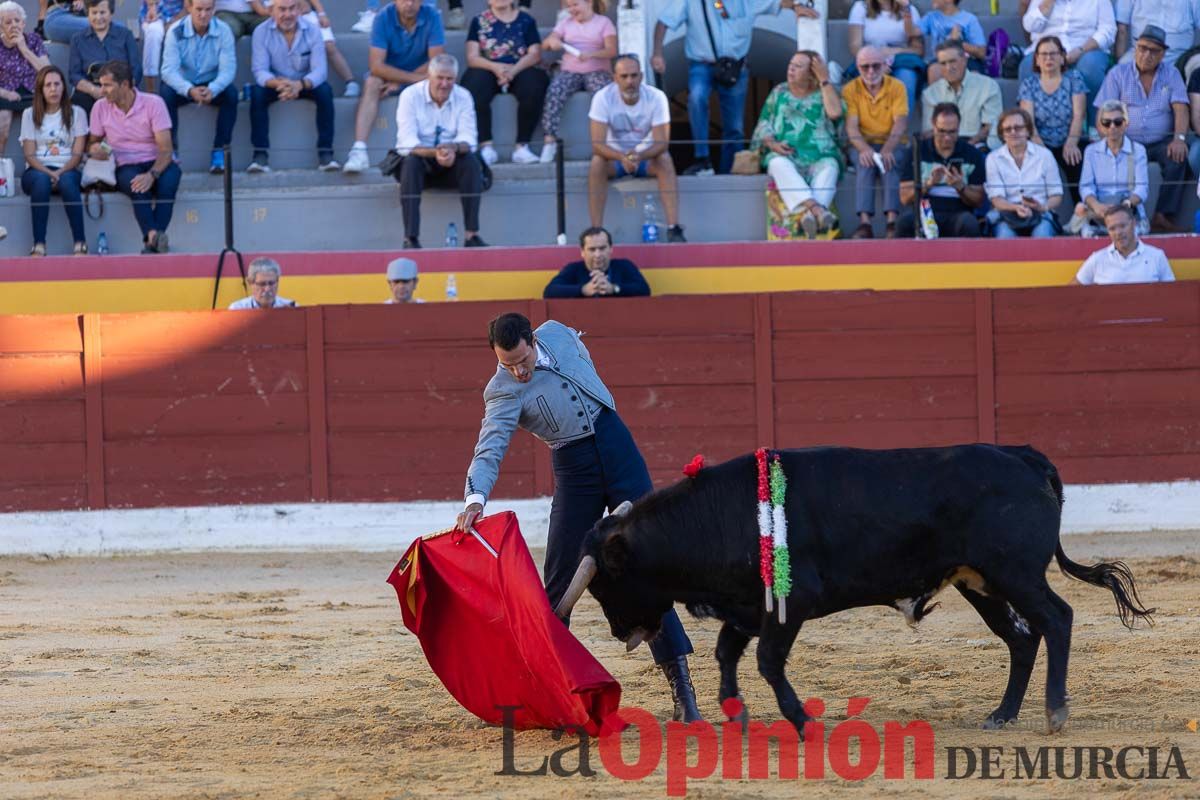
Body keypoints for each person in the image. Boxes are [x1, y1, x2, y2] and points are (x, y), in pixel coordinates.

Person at [454, 311, 701, 724]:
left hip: (617, 444)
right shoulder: (501, 391)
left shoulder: (560, 335)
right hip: (574, 468)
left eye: (522, 360)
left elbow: (579, 356)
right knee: (560, 581)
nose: (517, 371)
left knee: (652, 566)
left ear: (533, 340)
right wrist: (475, 496)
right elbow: (490, 445)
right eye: (506, 364)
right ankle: (549, 691)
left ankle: (684, 693)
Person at [652, 0, 819, 175]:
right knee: (697, 98)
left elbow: (777, 3)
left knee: (735, 126)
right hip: (701, 65)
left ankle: (731, 170)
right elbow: (663, 22)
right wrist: (657, 53)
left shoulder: (747, 2)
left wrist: (796, 6)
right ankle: (702, 159)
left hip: (736, 68)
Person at [1094, 25, 1190, 234]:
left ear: (1163, 54)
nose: (1147, 55)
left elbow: (1181, 108)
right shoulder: (1118, 73)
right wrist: (1111, 140)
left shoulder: (1171, 74)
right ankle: (1119, 218)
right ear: (1135, 47)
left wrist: (1179, 138)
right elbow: (1102, 114)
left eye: (1154, 51)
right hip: (1125, 140)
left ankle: (1161, 216)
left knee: (1178, 157)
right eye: (1143, 48)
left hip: (1160, 141)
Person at [587, 54, 686, 242]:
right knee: (596, 163)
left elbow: (662, 142)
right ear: (614, 78)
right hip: (614, 159)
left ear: (641, 76)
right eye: (624, 76)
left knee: (665, 159)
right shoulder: (602, 98)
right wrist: (621, 157)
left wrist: (638, 156)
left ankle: (674, 228)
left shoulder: (656, 97)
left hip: (646, 158)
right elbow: (597, 144)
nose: (629, 81)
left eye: (633, 76)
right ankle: (596, 231)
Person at [394, 53, 487, 249]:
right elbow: (406, 142)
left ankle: (472, 235)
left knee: (470, 161)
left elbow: (469, 138)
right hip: (422, 160)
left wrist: (452, 148)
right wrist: (434, 152)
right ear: (429, 76)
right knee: (410, 162)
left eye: (450, 79)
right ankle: (410, 238)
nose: (444, 84)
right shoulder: (410, 95)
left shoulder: (463, 96)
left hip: (453, 159)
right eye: (440, 78)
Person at [87, 59, 180, 253]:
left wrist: (151, 175)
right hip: (125, 163)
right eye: (100, 85)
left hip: (157, 161)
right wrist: (97, 148)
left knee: (169, 183)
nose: (102, 91)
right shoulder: (100, 107)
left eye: (107, 85)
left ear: (125, 85)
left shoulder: (154, 103)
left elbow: (166, 149)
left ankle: (150, 240)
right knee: (137, 187)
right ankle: (155, 238)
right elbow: (93, 141)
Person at [342, 0, 444, 174]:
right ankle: (359, 151)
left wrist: (401, 82)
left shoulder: (432, 16)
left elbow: (436, 60)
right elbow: (376, 66)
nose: (409, 4)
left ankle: (438, 147)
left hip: (418, 77)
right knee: (372, 82)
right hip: (390, 76)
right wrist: (408, 79)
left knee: (440, 80)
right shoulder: (383, 18)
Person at [750, 49, 843, 238]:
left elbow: (835, 113)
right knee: (776, 163)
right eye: (790, 65)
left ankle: (807, 215)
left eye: (798, 67)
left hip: (820, 155)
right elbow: (764, 123)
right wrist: (772, 144)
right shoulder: (779, 91)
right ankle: (818, 211)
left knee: (831, 167)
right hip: (786, 155)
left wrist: (824, 80)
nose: (790, 70)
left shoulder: (824, 91)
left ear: (812, 73)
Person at [248, 0, 338, 173]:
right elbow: (260, 71)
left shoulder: (312, 30)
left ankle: (326, 154)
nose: (287, 14)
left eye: (292, 8)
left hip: (304, 83)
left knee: (325, 91)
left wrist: (299, 85)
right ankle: (260, 156)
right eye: (282, 9)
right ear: (272, 11)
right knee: (257, 94)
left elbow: (320, 71)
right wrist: (280, 84)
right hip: (277, 84)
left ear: (299, 9)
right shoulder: (261, 32)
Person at [459, 0, 548, 166]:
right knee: (473, 83)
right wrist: (496, 67)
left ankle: (522, 147)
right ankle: (486, 147)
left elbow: (535, 54)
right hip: (488, 67)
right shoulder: (478, 21)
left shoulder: (526, 20)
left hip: (519, 67)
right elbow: (472, 58)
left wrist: (512, 71)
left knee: (534, 83)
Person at [160, 0, 237, 174]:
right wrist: (189, 89)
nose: (203, 15)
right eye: (199, 9)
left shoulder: (224, 31)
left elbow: (228, 70)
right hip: (184, 84)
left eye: (208, 9)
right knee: (166, 93)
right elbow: (168, 71)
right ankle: (171, 151)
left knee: (231, 95)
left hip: (211, 84)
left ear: (214, 9)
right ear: (189, 7)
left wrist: (214, 88)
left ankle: (219, 152)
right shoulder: (176, 31)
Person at [20, 65, 88, 256]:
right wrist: (49, 173)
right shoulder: (29, 114)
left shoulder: (77, 113)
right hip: (36, 170)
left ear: (63, 87)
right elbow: (29, 154)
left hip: (68, 168)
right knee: (41, 182)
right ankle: (39, 245)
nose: (53, 89)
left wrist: (59, 172)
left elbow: (77, 154)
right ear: (40, 90)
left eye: (57, 84)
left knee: (67, 182)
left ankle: (80, 243)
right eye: (48, 85)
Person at [538, 0, 615, 165]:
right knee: (555, 90)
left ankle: (609, 140)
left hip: (597, 70)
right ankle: (549, 141)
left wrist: (592, 54)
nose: (571, 9)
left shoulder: (604, 23)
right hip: (570, 71)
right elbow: (546, 44)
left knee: (603, 95)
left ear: (589, 3)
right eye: (569, 6)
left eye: (575, 5)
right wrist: (552, 42)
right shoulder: (565, 23)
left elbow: (612, 50)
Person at [844, 45, 909, 239]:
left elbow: (901, 123)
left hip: (892, 141)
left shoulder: (897, 87)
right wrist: (865, 150)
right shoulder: (850, 89)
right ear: (857, 67)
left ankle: (891, 222)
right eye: (865, 67)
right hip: (862, 142)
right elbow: (851, 127)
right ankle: (865, 223)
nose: (871, 71)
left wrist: (888, 149)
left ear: (884, 65)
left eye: (875, 66)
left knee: (889, 162)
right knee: (865, 163)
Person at [897, 101, 985, 238]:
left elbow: (978, 201)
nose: (947, 137)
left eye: (952, 131)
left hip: (958, 211)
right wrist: (928, 184)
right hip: (925, 210)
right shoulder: (917, 151)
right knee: (905, 223)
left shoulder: (972, 154)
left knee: (969, 223)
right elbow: (904, 198)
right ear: (933, 125)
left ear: (959, 127)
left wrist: (960, 187)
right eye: (942, 131)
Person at [1018, 35, 1086, 203]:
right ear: (1037, 60)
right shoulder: (1029, 84)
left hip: (1070, 138)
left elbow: (1079, 115)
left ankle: (1083, 218)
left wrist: (1071, 142)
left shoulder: (1074, 79)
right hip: (1040, 141)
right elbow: (1029, 122)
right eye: (1044, 54)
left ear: (1062, 58)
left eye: (1053, 54)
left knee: (1076, 159)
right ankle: (1041, 214)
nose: (1048, 58)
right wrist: (1042, 150)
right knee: (1036, 162)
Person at [1067, 99, 1149, 236]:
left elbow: (1142, 188)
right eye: (1107, 122)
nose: (1112, 127)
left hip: (1127, 206)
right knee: (1084, 224)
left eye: (1117, 122)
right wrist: (1097, 206)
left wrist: (1125, 205)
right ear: (1101, 126)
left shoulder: (1138, 150)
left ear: (1126, 124)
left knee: (1134, 232)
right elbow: (1086, 186)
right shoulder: (1091, 151)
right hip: (1099, 209)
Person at [1020, 0, 1114, 113]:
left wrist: (1082, 49)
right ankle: (1030, 123)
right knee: (1027, 66)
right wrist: (1047, 5)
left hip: (1086, 48)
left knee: (1090, 68)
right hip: (1047, 47)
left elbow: (1108, 30)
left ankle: (1095, 124)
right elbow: (1029, 26)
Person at [984, 106, 1063, 238]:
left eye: (1018, 128)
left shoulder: (1045, 155)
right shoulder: (993, 158)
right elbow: (996, 199)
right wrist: (1015, 208)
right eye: (1008, 129)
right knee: (1005, 237)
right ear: (1002, 134)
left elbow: (1057, 195)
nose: (1013, 132)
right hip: (1007, 216)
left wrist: (1042, 207)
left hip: (1040, 215)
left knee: (1042, 235)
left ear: (1028, 130)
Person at [843, 0, 924, 120]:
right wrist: (877, 61)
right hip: (869, 58)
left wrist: (893, 52)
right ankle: (874, 133)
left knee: (906, 78)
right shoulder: (861, 7)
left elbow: (918, 50)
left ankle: (900, 133)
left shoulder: (909, 10)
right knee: (872, 76)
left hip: (902, 60)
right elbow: (855, 46)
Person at [920, 40, 1001, 151]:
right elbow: (928, 132)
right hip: (942, 146)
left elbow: (989, 127)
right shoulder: (931, 93)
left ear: (964, 60)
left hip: (976, 145)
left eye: (953, 61)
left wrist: (965, 148)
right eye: (943, 63)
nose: (948, 68)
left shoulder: (988, 86)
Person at [68, 0, 141, 114]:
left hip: (121, 87)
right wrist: (94, 90)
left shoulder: (126, 35)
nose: (98, 17)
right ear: (88, 14)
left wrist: (121, 89)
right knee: (79, 104)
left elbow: (136, 69)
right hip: (92, 89)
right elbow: (74, 75)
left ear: (111, 13)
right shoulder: (77, 39)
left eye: (102, 12)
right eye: (94, 12)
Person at [1072, 204, 1174, 284]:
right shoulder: (1097, 259)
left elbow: (1171, 294)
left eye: (1122, 226)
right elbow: (1071, 292)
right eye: (1112, 228)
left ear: (1134, 224)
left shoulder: (1156, 256)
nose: (1118, 232)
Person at [543, 226, 651, 297]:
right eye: (592, 249)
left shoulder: (624, 266)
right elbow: (549, 291)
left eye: (602, 248)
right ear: (582, 251)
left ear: (611, 248)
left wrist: (614, 288)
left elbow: (644, 290)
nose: (598, 254)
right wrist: (583, 290)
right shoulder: (573, 269)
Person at [0, 1, 50, 155]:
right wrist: (6, 94)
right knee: (3, 121)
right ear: (1, 26)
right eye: (8, 22)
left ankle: (38, 166)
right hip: (5, 93)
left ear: (23, 23)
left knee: (39, 123)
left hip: (33, 92)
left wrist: (24, 48)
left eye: (17, 21)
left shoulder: (33, 40)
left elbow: (47, 71)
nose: (13, 25)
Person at [1113, 0, 1200, 68]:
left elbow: (1122, 30)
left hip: (1179, 58)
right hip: (1139, 54)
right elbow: (1121, 30)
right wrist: (1118, 61)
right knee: (1121, 69)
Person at [919, 0, 985, 82]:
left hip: (966, 59)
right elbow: (912, 32)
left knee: (974, 74)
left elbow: (982, 52)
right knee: (934, 70)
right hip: (940, 59)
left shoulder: (969, 19)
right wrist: (906, 9)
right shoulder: (931, 17)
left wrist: (958, 42)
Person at [140, 0, 186, 94]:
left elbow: (189, 6)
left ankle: (184, 87)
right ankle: (151, 91)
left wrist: (171, 23)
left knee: (180, 32)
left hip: (181, 16)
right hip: (156, 14)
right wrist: (152, 8)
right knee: (153, 31)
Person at [229, 257, 298, 308]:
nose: (267, 289)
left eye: (271, 283)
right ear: (250, 283)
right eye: (262, 284)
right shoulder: (238, 308)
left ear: (277, 281)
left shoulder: (292, 307)